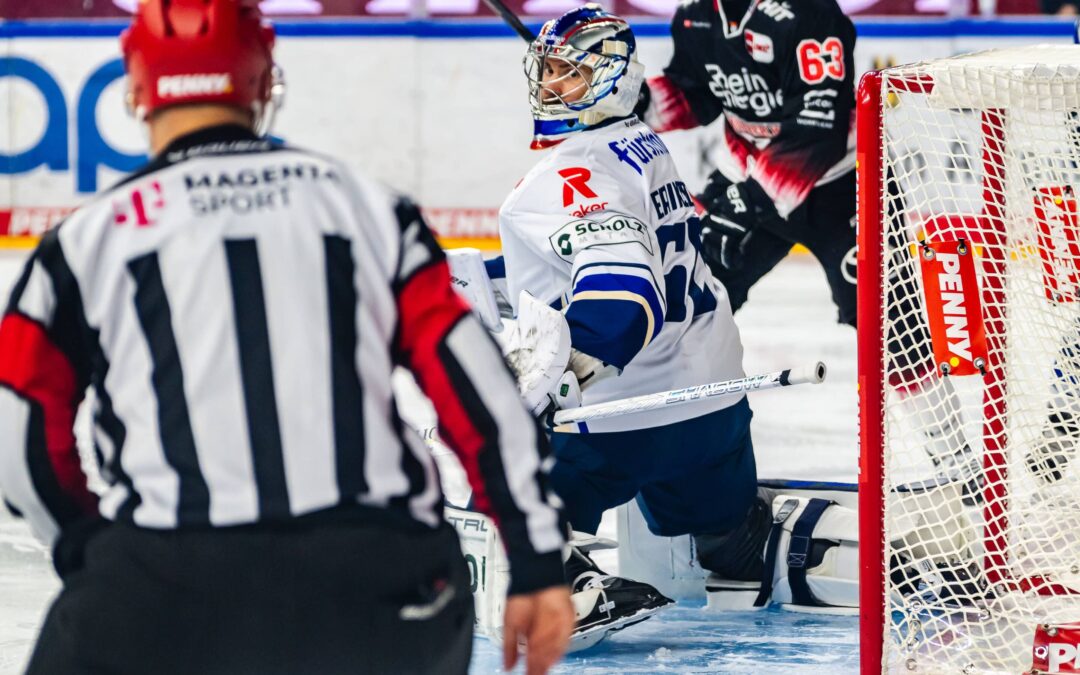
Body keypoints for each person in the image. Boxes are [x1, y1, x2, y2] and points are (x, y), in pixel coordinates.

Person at [0, 1, 573, 673]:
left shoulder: (82, 244)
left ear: (135, 91)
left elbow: (20, 443)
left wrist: (97, 557)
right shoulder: (364, 208)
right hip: (380, 591)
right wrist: (536, 562)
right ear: (265, 80)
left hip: (163, 594)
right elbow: (481, 396)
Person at [485, 4, 770, 634]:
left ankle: (563, 580)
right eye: (548, 71)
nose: (548, 87)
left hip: (622, 421)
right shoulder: (644, 146)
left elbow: (622, 283)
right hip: (716, 407)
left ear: (610, 77)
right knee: (724, 532)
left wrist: (569, 370)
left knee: (502, 456)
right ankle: (741, 547)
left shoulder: (564, 174)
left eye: (566, 74)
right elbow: (614, 250)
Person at [639, 0, 857, 328]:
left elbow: (819, 127)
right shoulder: (695, 16)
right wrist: (635, 101)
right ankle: (683, 376)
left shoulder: (809, 12)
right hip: (748, 174)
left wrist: (748, 201)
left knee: (890, 330)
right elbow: (696, 93)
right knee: (688, 299)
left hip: (842, 187)